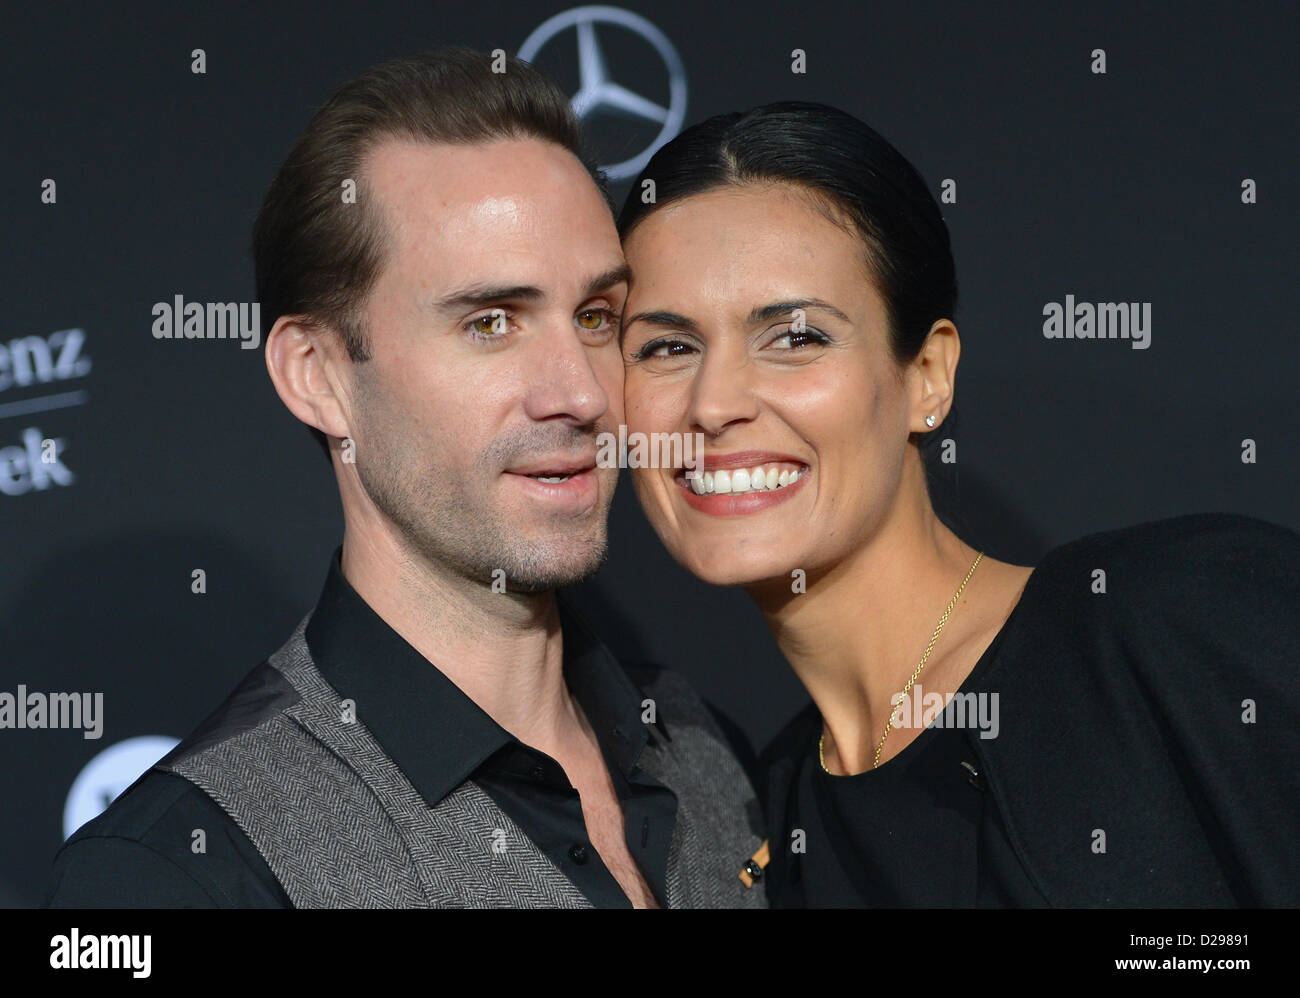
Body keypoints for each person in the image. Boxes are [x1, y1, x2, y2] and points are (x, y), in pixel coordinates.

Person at [45, 48, 767, 909]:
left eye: (594, 316)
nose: (578, 391)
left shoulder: (702, 748)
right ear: (318, 373)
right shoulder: (175, 872)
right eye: (491, 322)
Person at [615, 100, 1300, 906]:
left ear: (928, 377)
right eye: (667, 346)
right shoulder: (764, 836)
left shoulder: (1182, 623)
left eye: (796, 336)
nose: (715, 402)